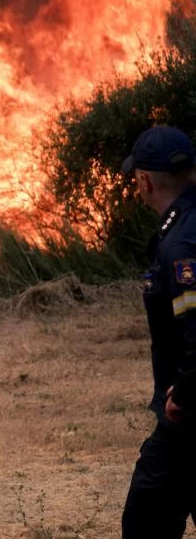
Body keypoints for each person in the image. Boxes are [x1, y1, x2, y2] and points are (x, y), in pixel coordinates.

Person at [121, 127, 196, 538]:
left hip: (188, 417)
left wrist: (184, 395)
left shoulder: (182, 244)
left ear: (146, 182)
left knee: (145, 522)